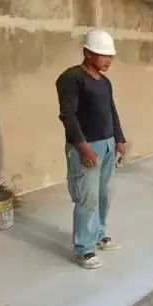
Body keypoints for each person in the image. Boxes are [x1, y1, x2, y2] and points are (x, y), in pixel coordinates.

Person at [56, 29, 126, 269]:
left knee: (104, 194)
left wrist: (119, 139)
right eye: (103, 55)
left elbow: (111, 111)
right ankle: (84, 249)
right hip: (85, 146)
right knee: (87, 198)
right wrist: (84, 148)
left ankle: (99, 234)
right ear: (87, 53)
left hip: (107, 144)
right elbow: (68, 115)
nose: (108, 60)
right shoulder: (71, 78)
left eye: (110, 56)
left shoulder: (105, 82)